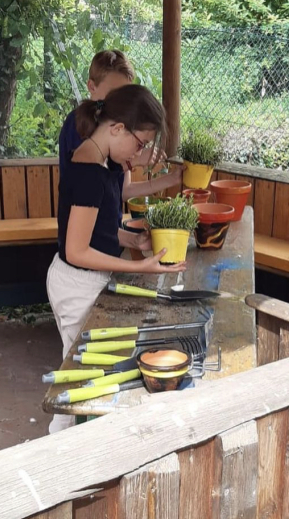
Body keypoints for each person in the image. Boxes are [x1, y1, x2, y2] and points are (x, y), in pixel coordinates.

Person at [47, 84, 187, 433]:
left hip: (82, 277)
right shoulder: (89, 171)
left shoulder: (99, 161)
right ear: (116, 128)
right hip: (77, 282)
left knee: (79, 371)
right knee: (81, 376)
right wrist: (139, 265)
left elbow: (99, 234)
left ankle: (61, 443)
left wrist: (131, 238)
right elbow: (77, 250)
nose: (139, 154)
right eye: (139, 144)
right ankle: (58, 450)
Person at [58, 49, 183, 203]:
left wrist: (171, 179)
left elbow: (124, 191)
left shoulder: (123, 130)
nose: (121, 101)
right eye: (115, 93)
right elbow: (89, 178)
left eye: (126, 94)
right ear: (92, 86)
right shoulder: (77, 124)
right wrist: (132, 162)